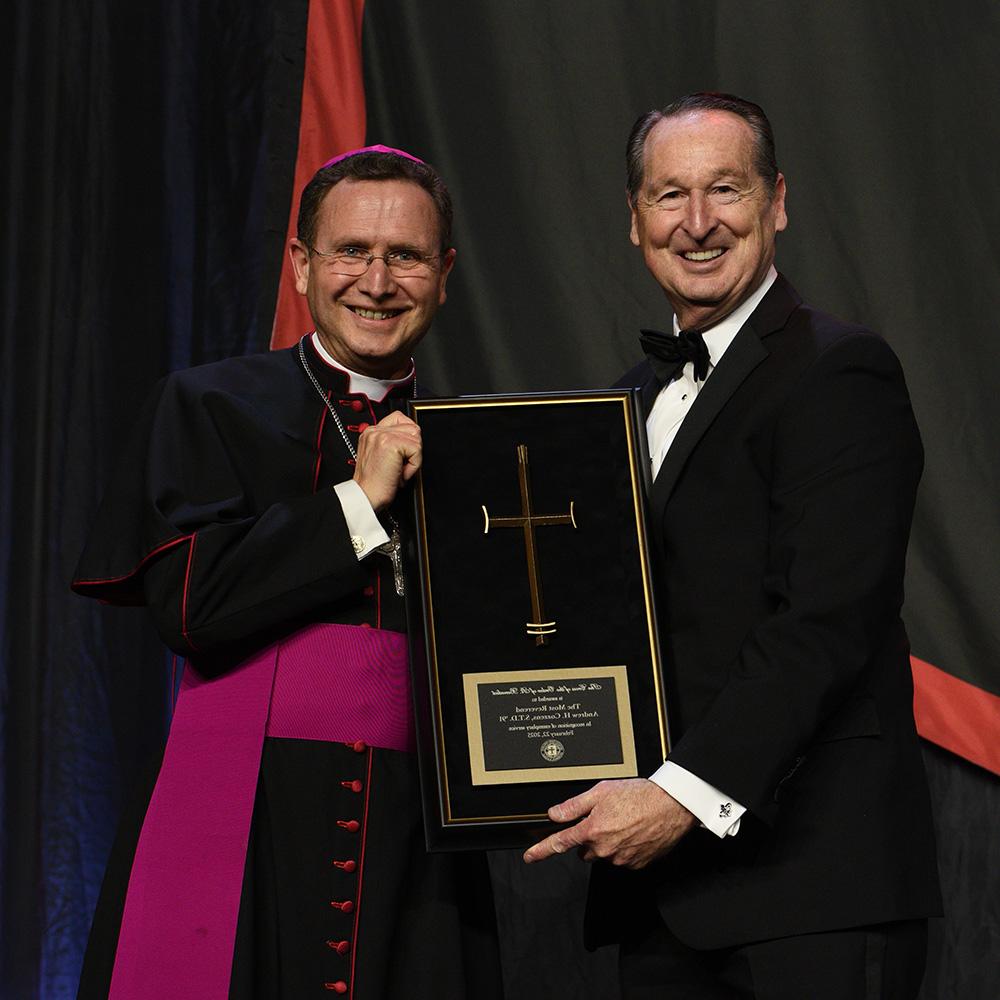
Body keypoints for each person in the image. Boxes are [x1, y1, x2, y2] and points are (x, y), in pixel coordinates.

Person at [524, 94, 941, 999]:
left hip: (815, 890)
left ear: (778, 201)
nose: (699, 222)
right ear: (635, 219)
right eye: (671, 196)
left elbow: (825, 622)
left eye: (727, 189)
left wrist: (678, 795)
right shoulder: (622, 401)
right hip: (666, 900)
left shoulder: (841, 371)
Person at [72, 147, 501, 1000]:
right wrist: (357, 503)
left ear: (445, 274)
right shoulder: (209, 405)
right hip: (253, 814)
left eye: (407, 257)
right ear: (302, 265)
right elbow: (193, 606)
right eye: (350, 252)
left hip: (421, 833)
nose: (376, 282)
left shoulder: (488, 443)